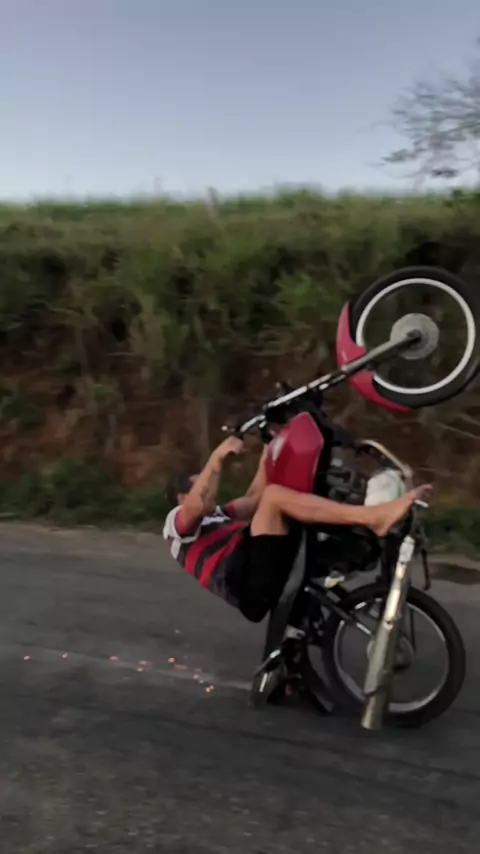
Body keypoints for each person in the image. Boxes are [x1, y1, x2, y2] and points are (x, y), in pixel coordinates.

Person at [163, 436, 431, 623]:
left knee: (280, 498)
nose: (211, 488)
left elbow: (255, 498)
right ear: (181, 498)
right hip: (245, 584)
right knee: (275, 498)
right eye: (201, 484)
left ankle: (359, 542)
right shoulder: (174, 525)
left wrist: (270, 447)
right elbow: (198, 505)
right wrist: (217, 457)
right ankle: (372, 518)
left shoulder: (218, 517)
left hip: (254, 566)